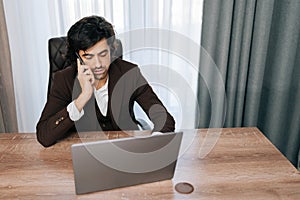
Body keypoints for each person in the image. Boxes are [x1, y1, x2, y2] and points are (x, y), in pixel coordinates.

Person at [36, 15, 175, 147]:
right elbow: (44, 135)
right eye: (88, 56)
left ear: (112, 50)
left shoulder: (129, 73)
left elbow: (164, 118)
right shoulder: (64, 80)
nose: (98, 64)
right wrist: (82, 98)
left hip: (126, 151)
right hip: (85, 154)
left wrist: (154, 142)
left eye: (103, 54)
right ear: (78, 57)